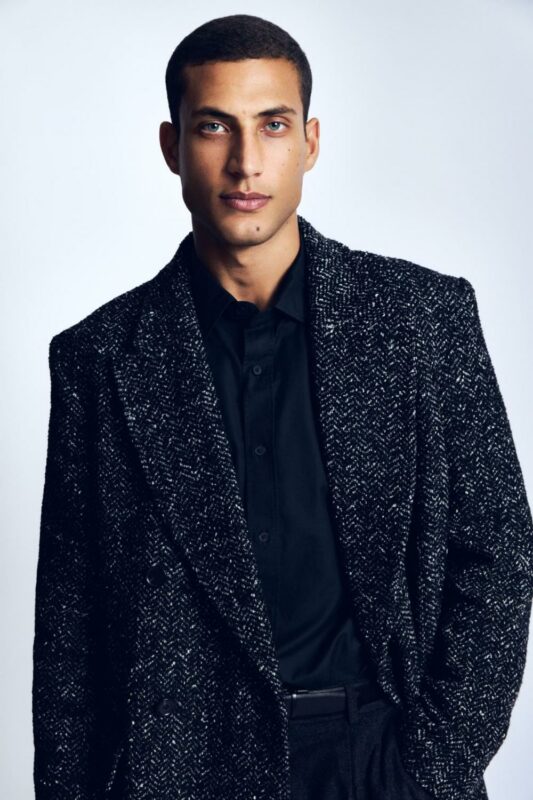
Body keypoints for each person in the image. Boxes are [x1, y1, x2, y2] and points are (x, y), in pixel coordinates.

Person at [32, 13, 533, 800]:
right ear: (172, 147)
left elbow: (498, 550)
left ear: (309, 142)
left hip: (378, 758)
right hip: (182, 770)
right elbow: (70, 630)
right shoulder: (99, 358)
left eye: (271, 125)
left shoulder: (420, 318)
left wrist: (434, 762)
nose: (245, 162)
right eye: (213, 127)